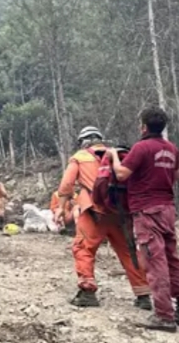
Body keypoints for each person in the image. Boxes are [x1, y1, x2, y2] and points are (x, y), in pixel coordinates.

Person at [109, 106, 179, 332]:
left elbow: (121, 174)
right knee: (172, 260)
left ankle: (163, 315)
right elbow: (175, 176)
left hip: (146, 211)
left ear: (144, 126)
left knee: (154, 262)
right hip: (167, 210)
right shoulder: (171, 149)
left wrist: (112, 157)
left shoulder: (141, 148)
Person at [54, 126, 151, 310]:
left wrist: (61, 208)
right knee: (129, 252)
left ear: (83, 141)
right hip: (121, 213)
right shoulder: (118, 155)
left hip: (93, 211)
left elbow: (66, 185)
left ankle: (88, 292)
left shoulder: (80, 157)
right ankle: (143, 295)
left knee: (83, 248)